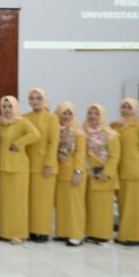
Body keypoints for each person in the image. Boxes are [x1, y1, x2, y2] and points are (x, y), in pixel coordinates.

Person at [0, 96, 41, 244]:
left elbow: (36, 135)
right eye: (4, 106)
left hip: (18, 168)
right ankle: (2, 232)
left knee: (18, 202)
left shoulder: (22, 122)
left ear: (15, 107)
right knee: (3, 202)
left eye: (10, 106)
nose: (7, 110)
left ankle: (18, 233)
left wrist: (19, 143)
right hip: (1, 166)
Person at [112, 98, 139, 246]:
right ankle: (123, 234)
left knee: (133, 206)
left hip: (135, 172)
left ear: (134, 110)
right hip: (120, 171)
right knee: (123, 204)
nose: (126, 110)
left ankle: (133, 237)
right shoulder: (116, 125)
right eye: (123, 107)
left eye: (129, 108)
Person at [24, 88, 60, 242]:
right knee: (31, 200)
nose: (35, 101)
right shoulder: (25, 117)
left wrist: (49, 164)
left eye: (38, 98)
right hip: (29, 165)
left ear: (44, 100)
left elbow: (54, 142)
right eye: (32, 98)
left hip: (45, 166)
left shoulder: (52, 118)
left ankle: (42, 231)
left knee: (44, 201)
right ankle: (31, 230)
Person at [84, 104, 121, 244]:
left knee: (103, 207)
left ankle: (103, 235)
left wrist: (107, 173)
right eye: (90, 113)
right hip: (89, 175)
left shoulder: (111, 135)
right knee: (91, 206)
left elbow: (114, 156)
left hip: (104, 176)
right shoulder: (84, 132)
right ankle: (91, 233)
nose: (92, 116)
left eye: (96, 113)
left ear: (102, 116)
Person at [54, 101, 87, 246]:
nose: (66, 116)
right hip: (59, 173)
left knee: (75, 206)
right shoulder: (55, 129)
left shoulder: (78, 132)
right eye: (63, 113)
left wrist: (78, 171)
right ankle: (63, 232)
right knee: (62, 205)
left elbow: (80, 154)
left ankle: (76, 235)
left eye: (69, 113)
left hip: (74, 173)